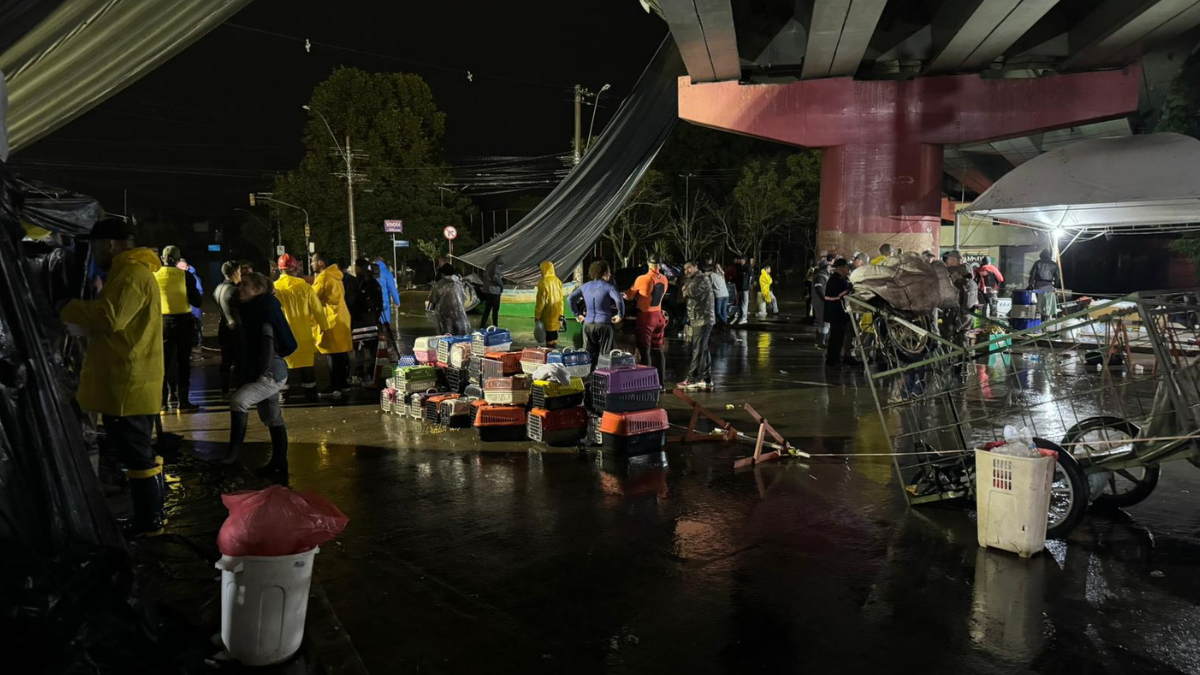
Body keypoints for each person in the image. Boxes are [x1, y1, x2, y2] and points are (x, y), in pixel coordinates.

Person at [60, 218, 166, 536]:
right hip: (129, 380)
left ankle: (149, 522)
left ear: (110, 244)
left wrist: (69, 307)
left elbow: (111, 317)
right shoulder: (127, 271)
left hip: (129, 383)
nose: (93, 253)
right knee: (138, 452)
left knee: (137, 455)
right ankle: (150, 517)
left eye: (94, 246)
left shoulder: (132, 273)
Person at [218, 272, 296, 477]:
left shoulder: (262, 311)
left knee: (238, 401)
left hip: (270, 372)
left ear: (258, 290)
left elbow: (268, 344)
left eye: (245, 285)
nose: (240, 288)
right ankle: (280, 463)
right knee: (271, 417)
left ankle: (232, 454)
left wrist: (261, 374)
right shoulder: (256, 308)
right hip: (269, 371)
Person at [275, 254, 329, 402]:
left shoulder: (275, 288)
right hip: (304, 335)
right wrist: (325, 327)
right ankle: (310, 395)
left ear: (280, 270)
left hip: (283, 335)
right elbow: (317, 309)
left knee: (284, 366)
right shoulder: (304, 287)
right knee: (306, 366)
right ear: (294, 269)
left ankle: (283, 396)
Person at [155, 245, 202, 411]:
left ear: (162, 258)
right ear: (177, 259)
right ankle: (183, 402)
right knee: (183, 362)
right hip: (183, 322)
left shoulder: (153, 275)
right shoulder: (186, 276)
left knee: (163, 363)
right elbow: (197, 301)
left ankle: (163, 401)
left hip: (161, 323)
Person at [569, 260, 624, 368]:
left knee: (589, 356)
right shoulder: (608, 287)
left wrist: (577, 314)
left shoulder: (585, 286)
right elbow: (619, 300)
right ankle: (603, 379)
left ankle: (589, 378)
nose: (610, 274)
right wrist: (620, 315)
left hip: (588, 324)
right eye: (608, 272)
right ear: (604, 273)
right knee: (606, 356)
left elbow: (570, 299)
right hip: (604, 324)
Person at [312, 252, 352, 398]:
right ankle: (343, 384)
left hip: (330, 318)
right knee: (341, 354)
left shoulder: (323, 278)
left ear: (321, 263)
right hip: (341, 317)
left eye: (313, 261)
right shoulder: (336, 276)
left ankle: (335, 386)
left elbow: (312, 298)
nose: (311, 264)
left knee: (332, 354)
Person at [624, 257, 669, 385]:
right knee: (658, 349)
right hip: (659, 316)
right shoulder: (664, 279)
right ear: (659, 265)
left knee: (645, 351)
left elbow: (629, 295)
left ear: (648, 263)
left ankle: (647, 383)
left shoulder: (643, 278)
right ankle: (661, 383)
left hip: (646, 317)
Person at [678, 261, 715, 391]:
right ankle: (706, 378)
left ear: (696, 267)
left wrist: (685, 287)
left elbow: (689, 292)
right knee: (703, 348)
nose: (686, 271)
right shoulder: (696, 278)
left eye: (689, 268)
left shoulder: (700, 278)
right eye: (685, 268)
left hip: (702, 320)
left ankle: (692, 379)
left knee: (698, 349)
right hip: (700, 319)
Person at [351, 258, 384, 382]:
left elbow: (351, 301)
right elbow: (380, 302)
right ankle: (372, 368)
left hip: (358, 320)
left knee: (359, 345)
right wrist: (377, 316)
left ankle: (359, 369)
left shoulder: (356, 282)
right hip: (372, 319)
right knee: (372, 345)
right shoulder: (374, 282)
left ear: (358, 268)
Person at [214, 261, 242, 398]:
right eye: (240, 272)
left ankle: (224, 390)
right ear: (235, 273)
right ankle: (240, 390)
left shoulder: (218, 288)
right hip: (235, 329)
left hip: (223, 327)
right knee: (239, 361)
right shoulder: (235, 291)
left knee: (225, 361)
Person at [823, 258, 855, 369]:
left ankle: (834, 360)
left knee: (837, 338)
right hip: (837, 314)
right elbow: (839, 295)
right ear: (841, 268)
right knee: (836, 339)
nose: (848, 270)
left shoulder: (838, 279)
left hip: (837, 313)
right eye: (847, 268)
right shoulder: (836, 280)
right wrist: (850, 288)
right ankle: (833, 361)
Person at [426, 263, 472, 335]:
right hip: (460, 315)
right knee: (461, 339)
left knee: (446, 338)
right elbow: (464, 298)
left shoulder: (438, 285)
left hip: (445, 316)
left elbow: (433, 300)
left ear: (442, 274)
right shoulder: (458, 284)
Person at [373, 256, 402, 347]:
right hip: (384, 302)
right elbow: (392, 288)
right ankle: (385, 346)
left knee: (375, 326)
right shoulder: (386, 272)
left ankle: (377, 347)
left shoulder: (370, 273)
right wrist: (397, 301)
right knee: (385, 326)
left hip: (373, 304)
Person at [535, 260, 564, 347]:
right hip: (557, 315)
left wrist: (537, 315)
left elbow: (541, 302)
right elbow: (561, 300)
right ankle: (555, 353)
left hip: (547, 315)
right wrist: (561, 315)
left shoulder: (543, 282)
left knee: (548, 339)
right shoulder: (558, 281)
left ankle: (549, 355)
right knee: (554, 337)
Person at [1028, 248, 1060, 321]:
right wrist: (1055, 287)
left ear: (1041, 256)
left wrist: (1030, 284)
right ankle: (1047, 319)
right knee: (1048, 304)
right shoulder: (1054, 264)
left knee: (1039, 304)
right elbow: (1057, 277)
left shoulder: (1038, 263)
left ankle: (1039, 320)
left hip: (1038, 285)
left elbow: (1032, 274)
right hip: (1049, 286)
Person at [812, 254, 833, 348]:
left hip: (822, 302)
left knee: (823, 322)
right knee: (824, 323)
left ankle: (820, 341)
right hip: (821, 303)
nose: (831, 269)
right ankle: (821, 342)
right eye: (829, 267)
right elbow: (820, 290)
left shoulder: (823, 276)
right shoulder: (821, 276)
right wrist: (826, 299)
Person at [480, 255, 505, 328]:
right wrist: (502, 285)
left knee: (487, 310)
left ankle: (482, 325)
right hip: (495, 292)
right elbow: (495, 278)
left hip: (488, 291)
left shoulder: (489, 265)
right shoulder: (495, 267)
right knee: (495, 311)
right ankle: (495, 326)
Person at [731, 255, 752, 325]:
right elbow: (737, 278)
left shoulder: (747, 267)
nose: (740, 261)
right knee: (740, 303)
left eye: (741, 259)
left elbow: (750, 277)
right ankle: (740, 316)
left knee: (744, 303)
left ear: (744, 260)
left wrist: (748, 285)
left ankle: (744, 317)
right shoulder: (739, 268)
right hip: (739, 288)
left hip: (745, 288)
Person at [707, 260, 730, 326]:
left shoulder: (712, 275)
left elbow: (710, 285)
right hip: (726, 294)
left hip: (718, 295)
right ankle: (724, 324)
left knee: (717, 312)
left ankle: (725, 324)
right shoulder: (722, 274)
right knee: (724, 311)